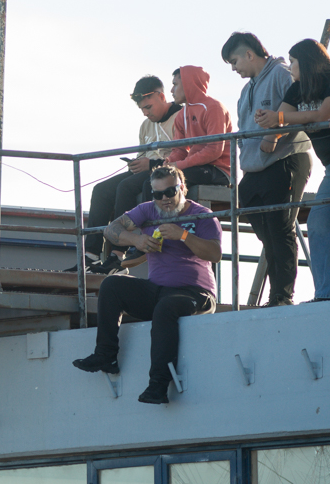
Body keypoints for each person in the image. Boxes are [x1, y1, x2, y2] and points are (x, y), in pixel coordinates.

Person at [72, 166, 221, 405]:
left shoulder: (202, 215)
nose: (164, 199)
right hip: (158, 290)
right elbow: (111, 229)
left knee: (166, 307)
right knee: (111, 284)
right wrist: (137, 240)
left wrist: (183, 235)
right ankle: (106, 355)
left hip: (196, 293)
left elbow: (215, 253)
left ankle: (158, 384)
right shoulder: (148, 210)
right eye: (157, 194)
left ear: (182, 188)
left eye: (170, 192)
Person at [255, 39, 330, 301]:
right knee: (319, 223)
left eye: (293, 62)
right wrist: (268, 126)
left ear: (306, 61)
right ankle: (328, 292)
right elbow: (281, 121)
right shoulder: (298, 88)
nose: (290, 67)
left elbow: (323, 115)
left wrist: (279, 118)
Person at [222, 32, 312, 306]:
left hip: (284, 160)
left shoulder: (282, 74)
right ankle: (277, 294)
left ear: (249, 54)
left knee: (280, 230)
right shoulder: (245, 91)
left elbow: (305, 109)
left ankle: (281, 296)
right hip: (253, 171)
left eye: (234, 61)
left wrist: (274, 136)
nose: (233, 68)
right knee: (266, 234)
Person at [85, 76, 183, 273]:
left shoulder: (181, 116)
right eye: (142, 109)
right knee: (101, 190)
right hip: (146, 171)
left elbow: (182, 155)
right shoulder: (145, 125)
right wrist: (136, 164)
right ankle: (90, 257)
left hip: (168, 172)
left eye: (148, 107)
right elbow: (143, 155)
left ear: (161, 96)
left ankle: (117, 256)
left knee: (126, 187)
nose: (145, 113)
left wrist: (151, 164)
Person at [165, 66, 233, 188]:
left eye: (175, 84)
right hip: (194, 167)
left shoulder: (214, 108)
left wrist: (180, 165)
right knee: (154, 180)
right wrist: (169, 162)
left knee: (171, 180)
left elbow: (214, 150)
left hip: (219, 170)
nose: (171, 90)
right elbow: (180, 150)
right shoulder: (181, 115)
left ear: (188, 83)